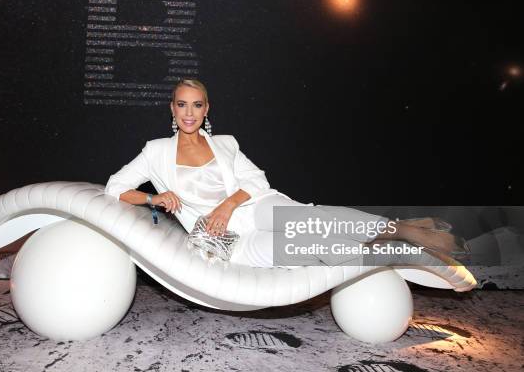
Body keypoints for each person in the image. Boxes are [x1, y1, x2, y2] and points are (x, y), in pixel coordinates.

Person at [104, 79, 470, 268]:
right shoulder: (157, 151)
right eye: (182, 104)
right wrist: (154, 197)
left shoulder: (226, 143)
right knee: (314, 244)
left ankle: (404, 231)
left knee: (314, 220)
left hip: (254, 207)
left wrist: (227, 205)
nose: (189, 112)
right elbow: (115, 187)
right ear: (172, 107)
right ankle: (401, 248)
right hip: (233, 242)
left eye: (196, 105)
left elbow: (256, 181)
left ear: (206, 109)